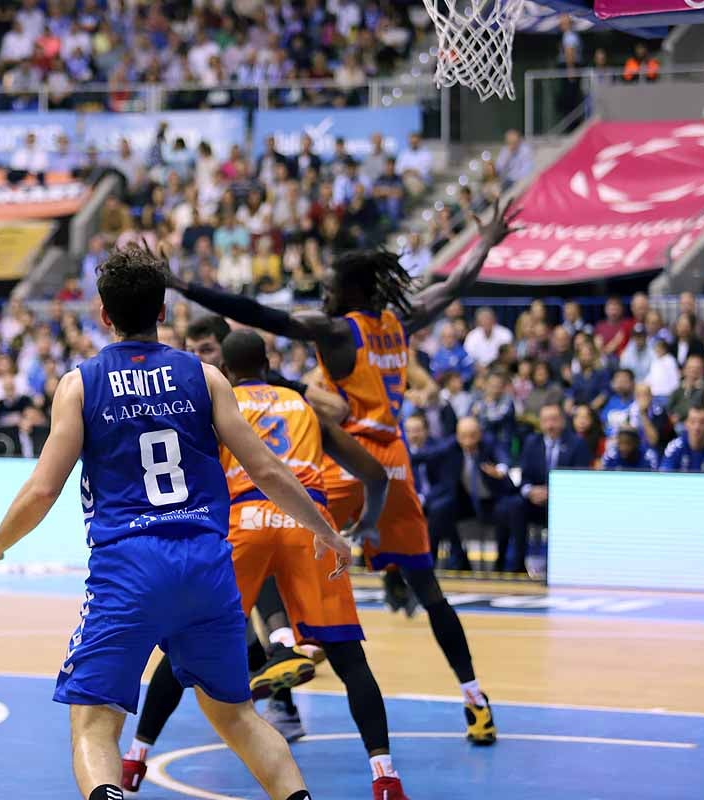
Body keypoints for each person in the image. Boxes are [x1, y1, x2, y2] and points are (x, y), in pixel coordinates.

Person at [0, 249, 347, 800]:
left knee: (93, 722)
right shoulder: (205, 378)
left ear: (104, 316)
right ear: (163, 310)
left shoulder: (81, 384)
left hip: (129, 569)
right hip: (207, 569)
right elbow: (266, 470)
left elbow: (43, 489)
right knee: (238, 718)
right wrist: (325, 529)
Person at [162, 196, 521, 743]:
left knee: (270, 524)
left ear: (352, 292)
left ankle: (284, 647)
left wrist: (184, 286)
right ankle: (475, 699)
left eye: (331, 286)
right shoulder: (400, 322)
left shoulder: (336, 330)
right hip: (395, 464)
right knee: (434, 594)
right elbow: (452, 288)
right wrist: (486, 245)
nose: (324, 293)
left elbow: (261, 315)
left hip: (346, 460)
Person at [122, 329, 409, 799]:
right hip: (308, 521)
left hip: (245, 518)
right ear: (269, 362)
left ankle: (134, 759)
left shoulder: (222, 401)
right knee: (350, 659)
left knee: (183, 647)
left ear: (231, 371)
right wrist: (366, 527)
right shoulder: (306, 407)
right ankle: (385, 777)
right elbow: (375, 475)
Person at [408, 416, 514, 571]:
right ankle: (433, 563)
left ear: (480, 434)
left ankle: (505, 564)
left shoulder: (489, 442)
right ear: (458, 436)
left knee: (511, 508)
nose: (469, 440)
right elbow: (425, 455)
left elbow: (503, 457)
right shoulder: (451, 446)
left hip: (490, 499)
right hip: (463, 501)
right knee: (440, 509)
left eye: (473, 435)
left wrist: (501, 469)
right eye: (464, 436)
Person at [496, 403, 590, 572]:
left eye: (554, 420)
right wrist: (530, 491)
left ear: (562, 421)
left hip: (564, 503)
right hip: (536, 502)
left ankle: (562, 566)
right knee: (514, 505)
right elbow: (524, 477)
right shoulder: (532, 442)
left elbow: (580, 480)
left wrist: (552, 492)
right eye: (546, 420)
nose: (550, 425)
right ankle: (517, 565)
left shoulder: (577, 444)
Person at [659, 405, 704, 472]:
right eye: (692, 422)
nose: (697, 427)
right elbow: (664, 474)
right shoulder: (675, 447)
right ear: (686, 424)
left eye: (702, 422)